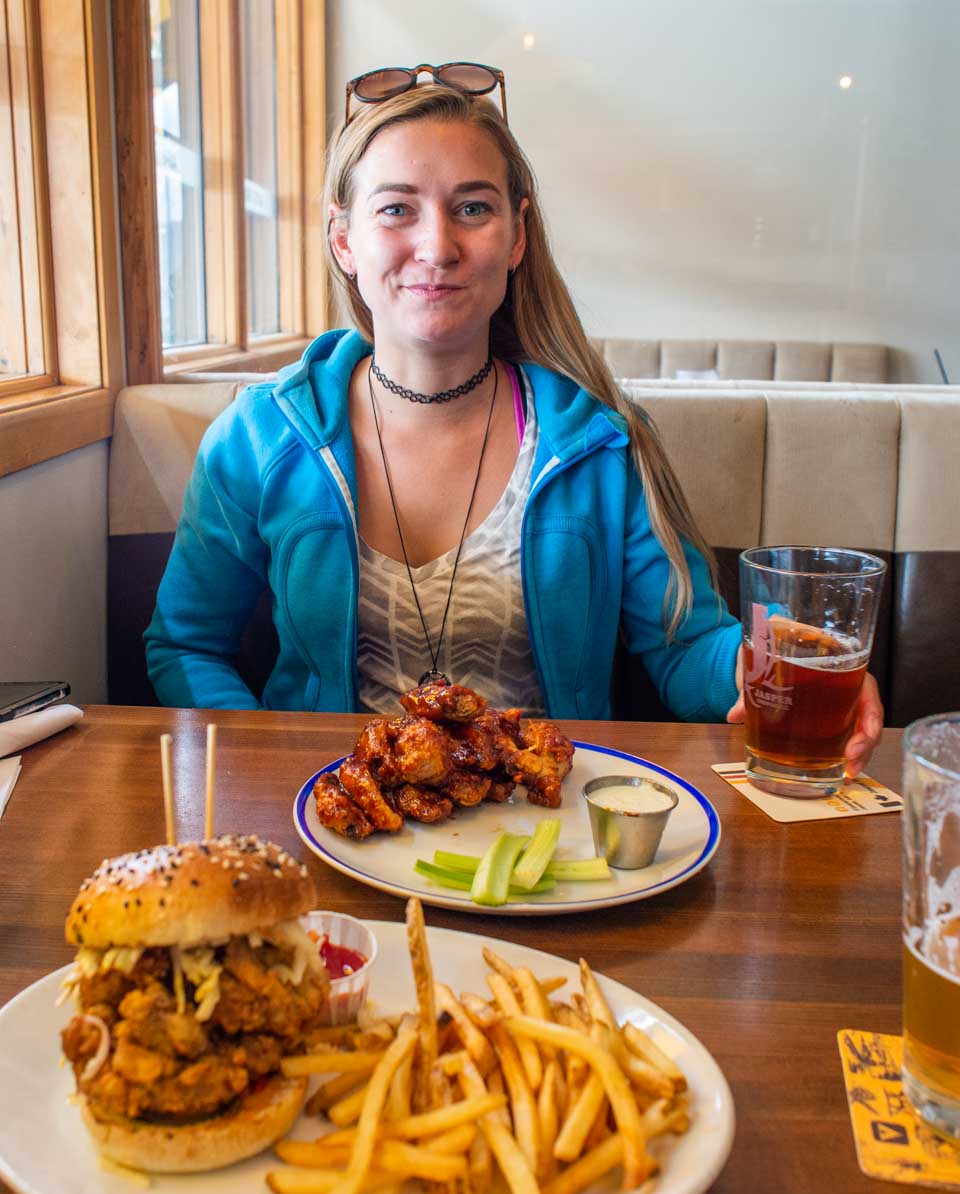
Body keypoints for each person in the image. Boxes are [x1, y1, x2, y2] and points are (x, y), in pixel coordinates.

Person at [145, 63, 882, 775]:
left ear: (517, 235)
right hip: (336, 824)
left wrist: (774, 667)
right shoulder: (258, 438)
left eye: (473, 208)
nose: (437, 246)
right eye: (397, 209)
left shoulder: (600, 443)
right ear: (345, 240)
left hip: (548, 839)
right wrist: (268, 775)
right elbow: (185, 646)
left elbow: (684, 651)